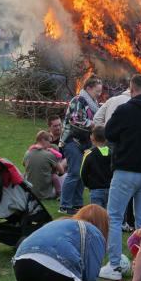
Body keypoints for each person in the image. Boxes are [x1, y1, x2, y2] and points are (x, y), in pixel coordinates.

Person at [100, 74, 141, 281]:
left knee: (115, 217)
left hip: (126, 170)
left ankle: (115, 266)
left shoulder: (125, 110)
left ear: (131, 88)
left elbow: (109, 133)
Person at [59, 76, 102, 215]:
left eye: (100, 92)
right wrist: (94, 124)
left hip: (84, 142)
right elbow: (76, 120)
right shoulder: (79, 100)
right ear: (88, 88)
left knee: (82, 173)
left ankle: (77, 205)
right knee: (75, 172)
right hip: (71, 141)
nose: (99, 94)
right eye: (97, 91)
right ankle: (64, 205)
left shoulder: (92, 103)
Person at [24, 130, 64, 200]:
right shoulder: (49, 154)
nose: (50, 144)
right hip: (47, 194)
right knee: (66, 176)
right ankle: (60, 194)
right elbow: (61, 171)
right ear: (43, 140)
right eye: (49, 141)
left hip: (31, 193)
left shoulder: (27, 153)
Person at [80, 125, 111, 208]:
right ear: (107, 139)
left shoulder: (89, 154)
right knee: (108, 216)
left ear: (92, 138)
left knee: (96, 216)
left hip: (95, 190)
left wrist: (88, 185)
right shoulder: (112, 153)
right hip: (110, 189)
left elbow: (83, 172)